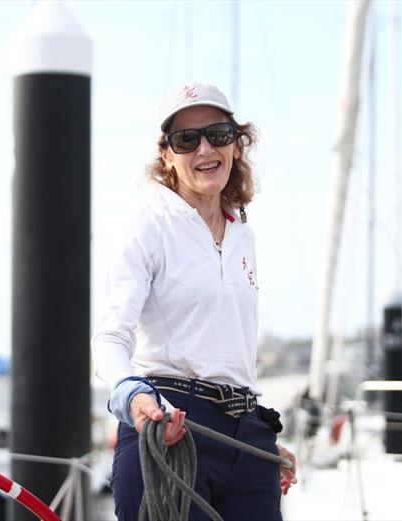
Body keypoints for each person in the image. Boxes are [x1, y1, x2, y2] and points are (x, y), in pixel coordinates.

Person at [92, 83, 297, 521]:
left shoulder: (243, 234)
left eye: (218, 135)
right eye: (186, 140)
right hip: (171, 423)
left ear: (236, 145)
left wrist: (256, 442)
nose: (205, 149)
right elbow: (110, 338)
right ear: (166, 154)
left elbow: (225, 347)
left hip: (245, 436)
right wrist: (131, 395)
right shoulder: (148, 225)